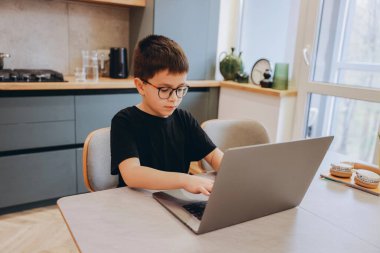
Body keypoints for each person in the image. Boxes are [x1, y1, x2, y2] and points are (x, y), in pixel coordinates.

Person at [110, 35, 224, 196]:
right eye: (164, 89)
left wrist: (234, 175)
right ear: (141, 86)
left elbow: (213, 156)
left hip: (176, 201)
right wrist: (186, 180)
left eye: (180, 89)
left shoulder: (184, 119)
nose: (174, 98)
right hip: (136, 204)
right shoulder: (124, 121)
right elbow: (132, 174)